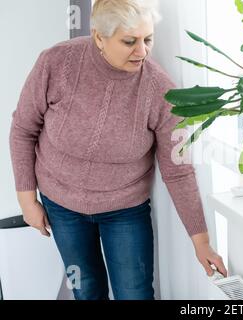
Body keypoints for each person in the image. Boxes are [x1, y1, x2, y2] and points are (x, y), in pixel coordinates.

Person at [9, 0, 227, 300]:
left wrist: (201, 242)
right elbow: (23, 129)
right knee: (86, 291)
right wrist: (27, 200)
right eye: (129, 41)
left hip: (124, 209)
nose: (142, 51)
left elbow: (178, 171)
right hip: (61, 204)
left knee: (135, 294)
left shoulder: (159, 89)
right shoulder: (56, 62)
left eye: (148, 39)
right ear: (99, 36)